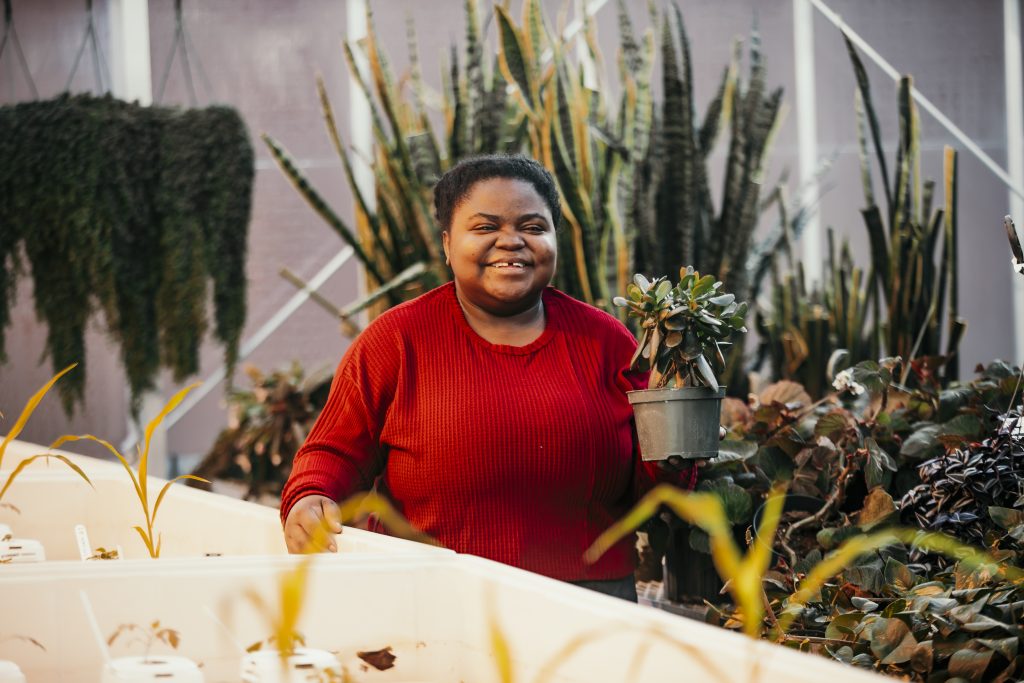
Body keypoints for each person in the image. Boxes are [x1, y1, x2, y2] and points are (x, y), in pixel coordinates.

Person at [280, 154, 699, 602]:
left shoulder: (607, 342)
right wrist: (310, 496)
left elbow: (653, 484)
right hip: (431, 596)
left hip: (588, 603)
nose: (511, 242)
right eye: (485, 228)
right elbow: (333, 454)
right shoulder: (396, 342)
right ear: (446, 244)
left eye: (533, 227)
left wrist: (676, 451)